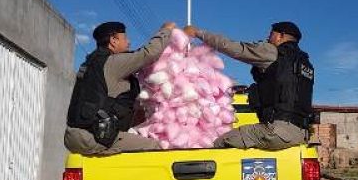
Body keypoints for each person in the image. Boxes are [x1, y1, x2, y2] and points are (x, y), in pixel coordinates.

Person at [183, 21, 314, 150]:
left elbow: (232, 47)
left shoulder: (272, 52)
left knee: (219, 142)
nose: (268, 38)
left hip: (277, 131)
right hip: (301, 134)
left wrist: (198, 33)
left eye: (271, 34)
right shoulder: (305, 64)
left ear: (281, 36)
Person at [65, 21, 175, 155]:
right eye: (125, 38)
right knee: (159, 148)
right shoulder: (112, 62)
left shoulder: (91, 63)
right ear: (113, 40)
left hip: (78, 135)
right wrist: (166, 30)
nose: (129, 42)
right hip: (95, 137)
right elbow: (148, 54)